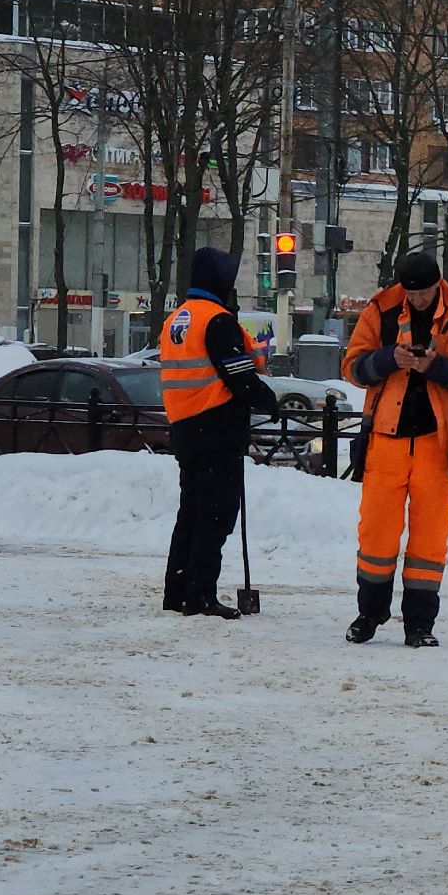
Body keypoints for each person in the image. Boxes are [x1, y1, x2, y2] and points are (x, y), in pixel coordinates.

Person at [342, 252, 448, 648]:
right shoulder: (381, 309)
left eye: (426, 293)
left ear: (437, 285)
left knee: (429, 540)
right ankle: (370, 613)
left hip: (438, 443)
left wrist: (437, 368)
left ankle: (420, 624)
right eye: (412, 293)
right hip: (386, 441)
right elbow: (353, 367)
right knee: (376, 534)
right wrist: (387, 359)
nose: (420, 300)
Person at [161, 247, 279, 619]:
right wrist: (268, 399)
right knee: (215, 516)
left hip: (185, 427)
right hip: (217, 429)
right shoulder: (217, 321)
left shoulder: (177, 319)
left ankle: (177, 591)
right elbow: (238, 375)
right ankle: (201, 595)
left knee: (191, 512)